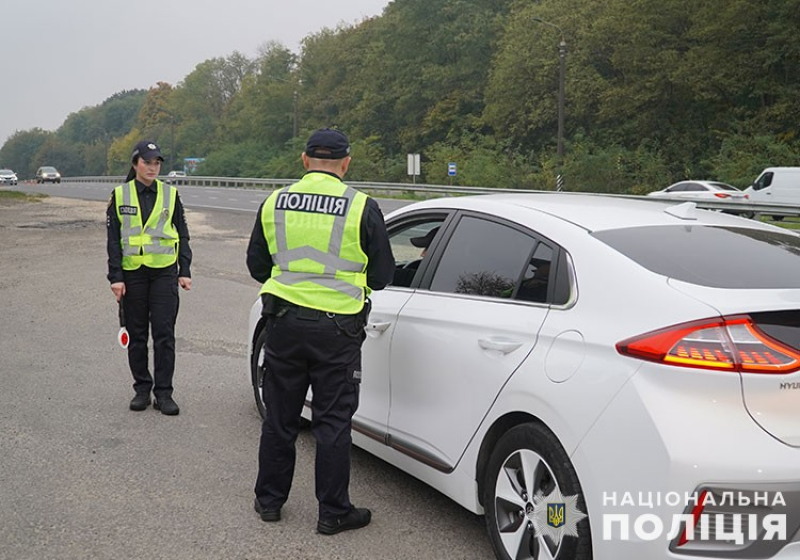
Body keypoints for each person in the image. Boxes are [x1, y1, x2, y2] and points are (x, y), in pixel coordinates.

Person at [246, 127, 394, 534]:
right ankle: (333, 512)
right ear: (346, 163)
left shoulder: (276, 202)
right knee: (332, 423)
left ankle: (269, 502)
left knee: (280, 418)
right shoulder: (361, 206)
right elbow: (382, 276)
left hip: (284, 326)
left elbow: (257, 267)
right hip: (337, 333)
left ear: (304, 159)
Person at [106, 140, 193, 416]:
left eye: (156, 163)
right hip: (133, 275)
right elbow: (113, 241)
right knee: (137, 334)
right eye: (147, 162)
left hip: (164, 272)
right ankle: (142, 389)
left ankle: (164, 393)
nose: (152, 167)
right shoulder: (120, 195)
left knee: (165, 334)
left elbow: (182, 233)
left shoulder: (171, 194)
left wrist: (185, 270)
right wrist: (115, 277)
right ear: (135, 164)